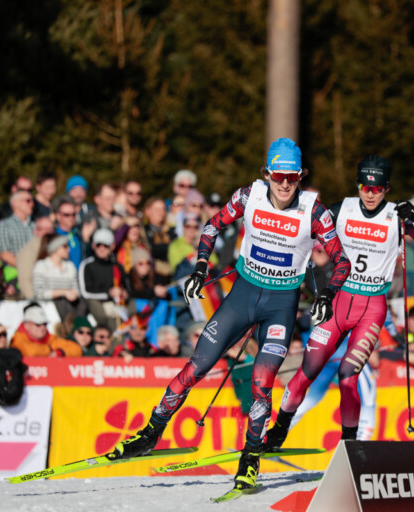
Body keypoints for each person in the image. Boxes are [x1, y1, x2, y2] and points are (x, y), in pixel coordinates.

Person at [110, 138, 350, 494]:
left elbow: (341, 259)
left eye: (293, 177)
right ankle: (150, 433)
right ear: (267, 173)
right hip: (242, 297)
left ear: (301, 176)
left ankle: (250, 458)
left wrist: (327, 293)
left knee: (262, 379)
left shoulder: (314, 212)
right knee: (197, 366)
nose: (285, 184)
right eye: (279, 175)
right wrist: (200, 266)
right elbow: (211, 226)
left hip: (281, 306)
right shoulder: (248, 196)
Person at [264, 154, 414, 448]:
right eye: (364, 187)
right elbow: (301, 226)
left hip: (371, 310)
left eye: (377, 189)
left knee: (348, 376)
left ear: (386, 189)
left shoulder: (395, 216)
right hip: (338, 304)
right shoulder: (341, 209)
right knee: (308, 370)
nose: (370, 194)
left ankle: (349, 445)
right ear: (358, 185)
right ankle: (279, 429)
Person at [78, 228, 130, 329]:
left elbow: (127, 287)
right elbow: (85, 292)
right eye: (98, 245)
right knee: (98, 309)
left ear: (112, 246)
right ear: (93, 246)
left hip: (116, 305)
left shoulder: (117, 266)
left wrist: (124, 293)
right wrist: (108, 293)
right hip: (96, 305)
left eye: (106, 246)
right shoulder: (87, 265)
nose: (102, 249)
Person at [33, 234, 87, 321]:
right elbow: (39, 293)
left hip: (70, 304)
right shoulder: (41, 265)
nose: (68, 249)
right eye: (65, 246)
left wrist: (74, 294)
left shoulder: (70, 266)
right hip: (50, 305)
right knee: (61, 303)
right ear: (55, 248)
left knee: (82, 304)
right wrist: (63, 293)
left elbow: (76, 288)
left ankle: (79, 326)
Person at [10, 302, 82, 357]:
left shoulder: (51, 339)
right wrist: (50, 350)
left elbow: (77, 349)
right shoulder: (17, 339)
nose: (42, 327)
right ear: (26, 325)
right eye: (38, 324)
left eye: (45, 324)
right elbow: (30, 352)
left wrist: (59, 352)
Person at [17, 215, 55, 300]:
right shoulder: (28, 251)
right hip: (37, 301)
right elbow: (25, 280)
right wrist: (35, 301)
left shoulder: (53, 248)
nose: (49, 232)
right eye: (44, 229)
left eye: (51, 229)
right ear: (36, 231)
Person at [0, 189, 35, 268]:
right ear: (15, 203)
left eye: (32, 201)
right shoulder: (4, 225)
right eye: (28, 201)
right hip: (15, 272)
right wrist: (27, 268)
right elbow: (5, 254)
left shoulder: (35, 225)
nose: (32, 204)